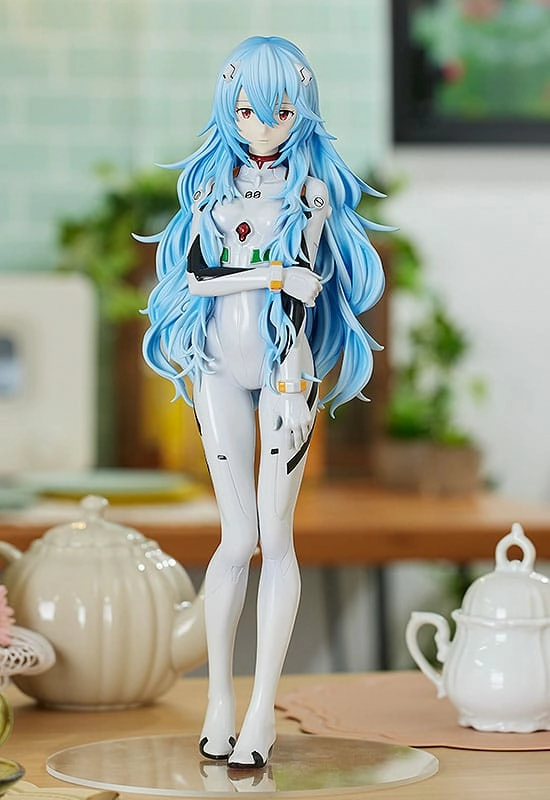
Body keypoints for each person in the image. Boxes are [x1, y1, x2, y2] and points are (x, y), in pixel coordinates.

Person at [142, 35, 385, 769]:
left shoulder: (311, 195)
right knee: (235, 537)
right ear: (230, 107)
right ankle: (217, 698)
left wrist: (288, 279)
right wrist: (272, 275)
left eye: (280, 111)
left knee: (276, 538)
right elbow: (200, 280)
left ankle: (260, 709)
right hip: (217, 365)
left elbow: (309, 287)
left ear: (301, 107)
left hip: (286, 369)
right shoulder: (211, 195)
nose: (263, 126)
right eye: (248, 110)